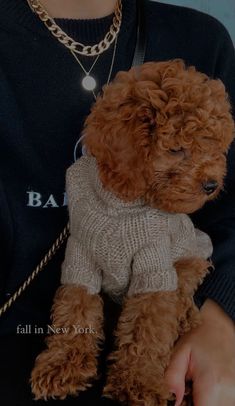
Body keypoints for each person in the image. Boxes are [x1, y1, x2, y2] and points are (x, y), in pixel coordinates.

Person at [0, 0, 234, 405]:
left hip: (177, 361)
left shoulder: (202, 40)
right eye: (177, 150)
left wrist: (222, 320)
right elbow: (80, 269)